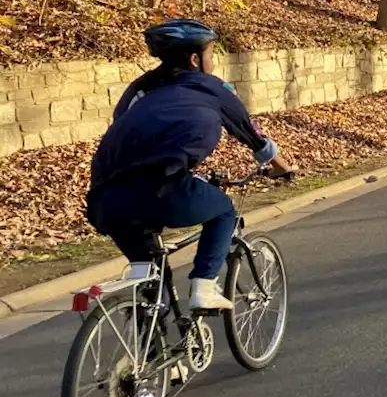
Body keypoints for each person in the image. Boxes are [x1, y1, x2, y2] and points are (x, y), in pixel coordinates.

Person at [86, 19, 295, 311]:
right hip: (162, 186)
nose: (212, 61)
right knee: (224, 211)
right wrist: (281, 166)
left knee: (149, 276)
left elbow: (124, 129)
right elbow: (250, 132)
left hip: (104, 198)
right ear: (195, 59)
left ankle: (145, 347)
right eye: (211, 54)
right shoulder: (212, 87)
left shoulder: (138, 90)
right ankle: (204, 287)